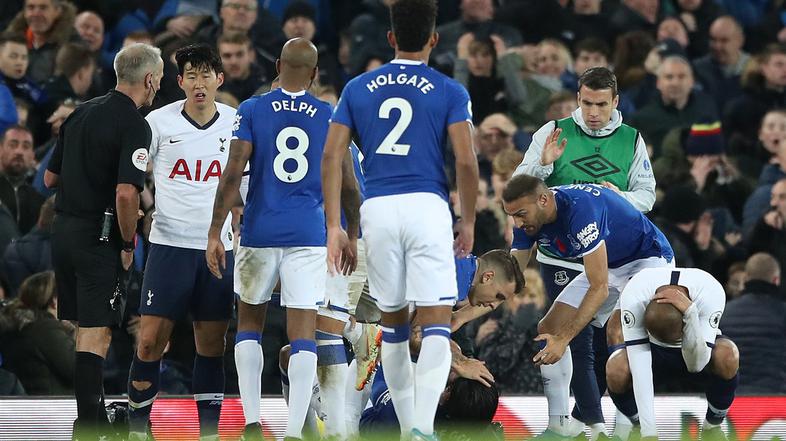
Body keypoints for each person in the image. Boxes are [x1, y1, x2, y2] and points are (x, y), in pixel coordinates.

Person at [322, 0, 479, 438]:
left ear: (389, 38)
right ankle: (422, 428)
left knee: (391, 325)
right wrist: (467, 219)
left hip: (378, 209)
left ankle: (409, 422)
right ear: (434, 38)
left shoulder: (357, 87)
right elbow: (466, 162)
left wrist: (336, 225)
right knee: (434, 323)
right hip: (426, 205)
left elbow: (333, 155)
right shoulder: (450, 90)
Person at [207, 37, 357, 441]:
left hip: (259, 230)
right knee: (303, 333)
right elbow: (349, 186)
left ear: (277, 65)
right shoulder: (328, 113)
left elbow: (233, 171)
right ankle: (294, 431)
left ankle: (253, 422)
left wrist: (214, 232)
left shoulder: (252, 109)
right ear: (314, 73)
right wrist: (350, 234)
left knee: (249, 327)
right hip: (309, 235)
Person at [514, 66, 655, 440]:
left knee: (592, 339)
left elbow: (648, 196)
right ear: (578, 98)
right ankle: (586, 425)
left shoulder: (632, 139)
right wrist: (543, 162)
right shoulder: (553, 131)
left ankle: (574, 422)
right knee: (572, 336)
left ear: (615, 102)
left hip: (608, 256)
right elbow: (520, 186)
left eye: (602, 105)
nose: (594, 112)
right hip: (560, 253)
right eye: (587, 103)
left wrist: (617, 198)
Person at [43, 42, 163, 439]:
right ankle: (89, 427)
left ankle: (91, 418)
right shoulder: (134, 123)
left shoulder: (80, 112)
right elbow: (127, 194)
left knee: (84, 328)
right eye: (158, 82)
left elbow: (49, 179)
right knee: (97, 332)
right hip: (100, 235)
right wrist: (128, 243)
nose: (157, 89)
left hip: (63, 231)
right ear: (148, 79)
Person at [501, 175, 674, 439]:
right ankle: (559, 426)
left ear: (544, 200)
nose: (517, 222)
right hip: (612, 266)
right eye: (512, 215)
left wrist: (564, 339)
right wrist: (464, 311)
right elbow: (509, 281)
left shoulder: (580, 211)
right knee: (548, 327)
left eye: (521, 214)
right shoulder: (528, 221)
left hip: (648, 258)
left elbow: (599, 287)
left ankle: (633, 427)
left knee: (618, 329)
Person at [125, 44, 235, 441]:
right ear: (180, 82)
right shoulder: (158, 122)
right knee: (151, 341)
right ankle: (139, 428)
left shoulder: (237, 124)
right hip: (169, 246)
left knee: (212, 345)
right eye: (191, 75)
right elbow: (133, 172)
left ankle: (208, 434)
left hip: (218, 249)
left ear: (219, 80)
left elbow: (249, 184)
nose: (199, 83)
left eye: (207, 75)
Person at [608, 267, 739, 441]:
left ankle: (712, 426)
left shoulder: (710, 291)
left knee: (727, 355)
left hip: (694, 348)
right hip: (652, 351)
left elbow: (696, 365)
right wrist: (648, 433)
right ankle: (637, 424)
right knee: (616, 368)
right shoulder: (635, 293)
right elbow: (640, 366)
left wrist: (691, 314)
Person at [722, 253, 786, 394]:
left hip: (733, 400)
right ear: (776, 280)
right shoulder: (782, 313)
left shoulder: (724, 313)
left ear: (746, 278)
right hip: (775, 399)